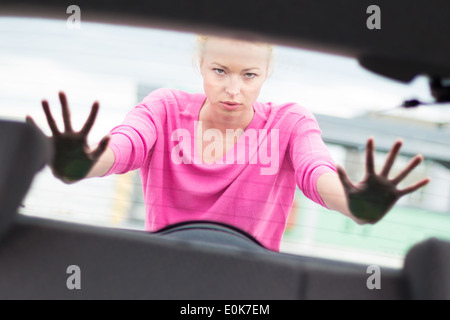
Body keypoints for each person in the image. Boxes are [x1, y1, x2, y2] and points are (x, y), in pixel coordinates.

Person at [26, 35, 430, 252]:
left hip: (252, 292)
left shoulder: (290, 122)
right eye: (219, 70)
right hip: (166, 281)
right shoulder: (164, 109)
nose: (232, 89)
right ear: (199, 66)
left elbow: (317, 172)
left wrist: (353, 203)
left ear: (267, 72)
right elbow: (124, 147)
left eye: (249, 75)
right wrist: (84, 164)